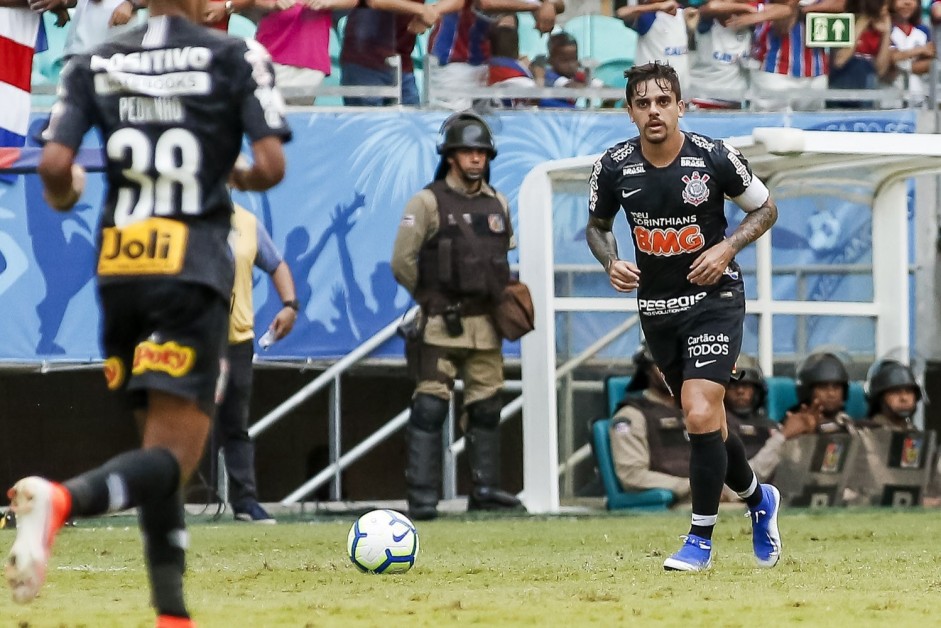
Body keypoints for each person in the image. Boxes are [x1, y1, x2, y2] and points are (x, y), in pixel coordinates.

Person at [6, 0, 290, 624]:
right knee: (176, 454)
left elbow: (55, 165)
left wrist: (67, 192)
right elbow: (270, 165)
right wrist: (232, 176)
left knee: (159, 441)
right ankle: (60, 499)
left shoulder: (97, 57)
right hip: (192, 268)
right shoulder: (234, 53)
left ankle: (172, 613)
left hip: (121, 271)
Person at [586, 62, 780, 572]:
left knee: (697, 410)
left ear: (680, 105)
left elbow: (765, 209)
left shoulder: (715, 157)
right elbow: (597, 226)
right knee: (709, 424)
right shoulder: (613, 166)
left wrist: (728, 247)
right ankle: (760, 500)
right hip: (657, 310)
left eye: (663, 101)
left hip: (715, 299)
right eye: (643, 103)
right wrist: (610, 260)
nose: (654, 111)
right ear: (629, 112)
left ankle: (699, 540)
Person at [390, 111, 522, 521]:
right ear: (450, 156)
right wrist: (429, 297)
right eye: (467, 151)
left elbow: (503, 256)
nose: (476, 159)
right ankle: (423, 497)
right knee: (430, 407)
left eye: (481, 152)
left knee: (486, 407)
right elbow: (402, 261)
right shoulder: (426, 202)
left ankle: (484, 489)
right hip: (441, 324)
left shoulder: (497, 201)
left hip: (486, 325)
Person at [218, 205, 298, 524]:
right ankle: (167, 503)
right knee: (179, 421)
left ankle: (245, 501)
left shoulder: (246, 222)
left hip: (235, 338)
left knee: (235, 424)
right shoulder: (176, 214)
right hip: (189, 337)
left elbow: (276, 263)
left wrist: (290, 305)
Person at [609, 343, 691, 501]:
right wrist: (689, 487)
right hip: (674, 504)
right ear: (647, 369)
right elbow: (632, 475)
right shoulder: (631, 416)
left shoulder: (698, 411)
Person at [726, 354, 813, 481]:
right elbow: (741, 480)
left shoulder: (771, 427)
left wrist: (803, 437)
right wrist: (782, 436)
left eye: (746, 385)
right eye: (733, 385)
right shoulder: (713, 427)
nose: (740, 391)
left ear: (757, 391)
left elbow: (798, 472)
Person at [616, 0, 697, 95]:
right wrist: (658, 6)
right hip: (650, 93)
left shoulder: (682, 13)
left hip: (681, 91)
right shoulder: (648, 16)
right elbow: (621, 13)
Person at [786, 351, 855, 433]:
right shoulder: (791, 426)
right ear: (807, 391)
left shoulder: (847, 424)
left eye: (836, 387)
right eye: (823, 387)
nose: (831, 394)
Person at [864, 358, 922, 429]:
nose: (904, 398)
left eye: (909, 391)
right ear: (880, 398)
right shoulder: (866, 434)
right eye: (895, 392)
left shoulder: (912, 431)